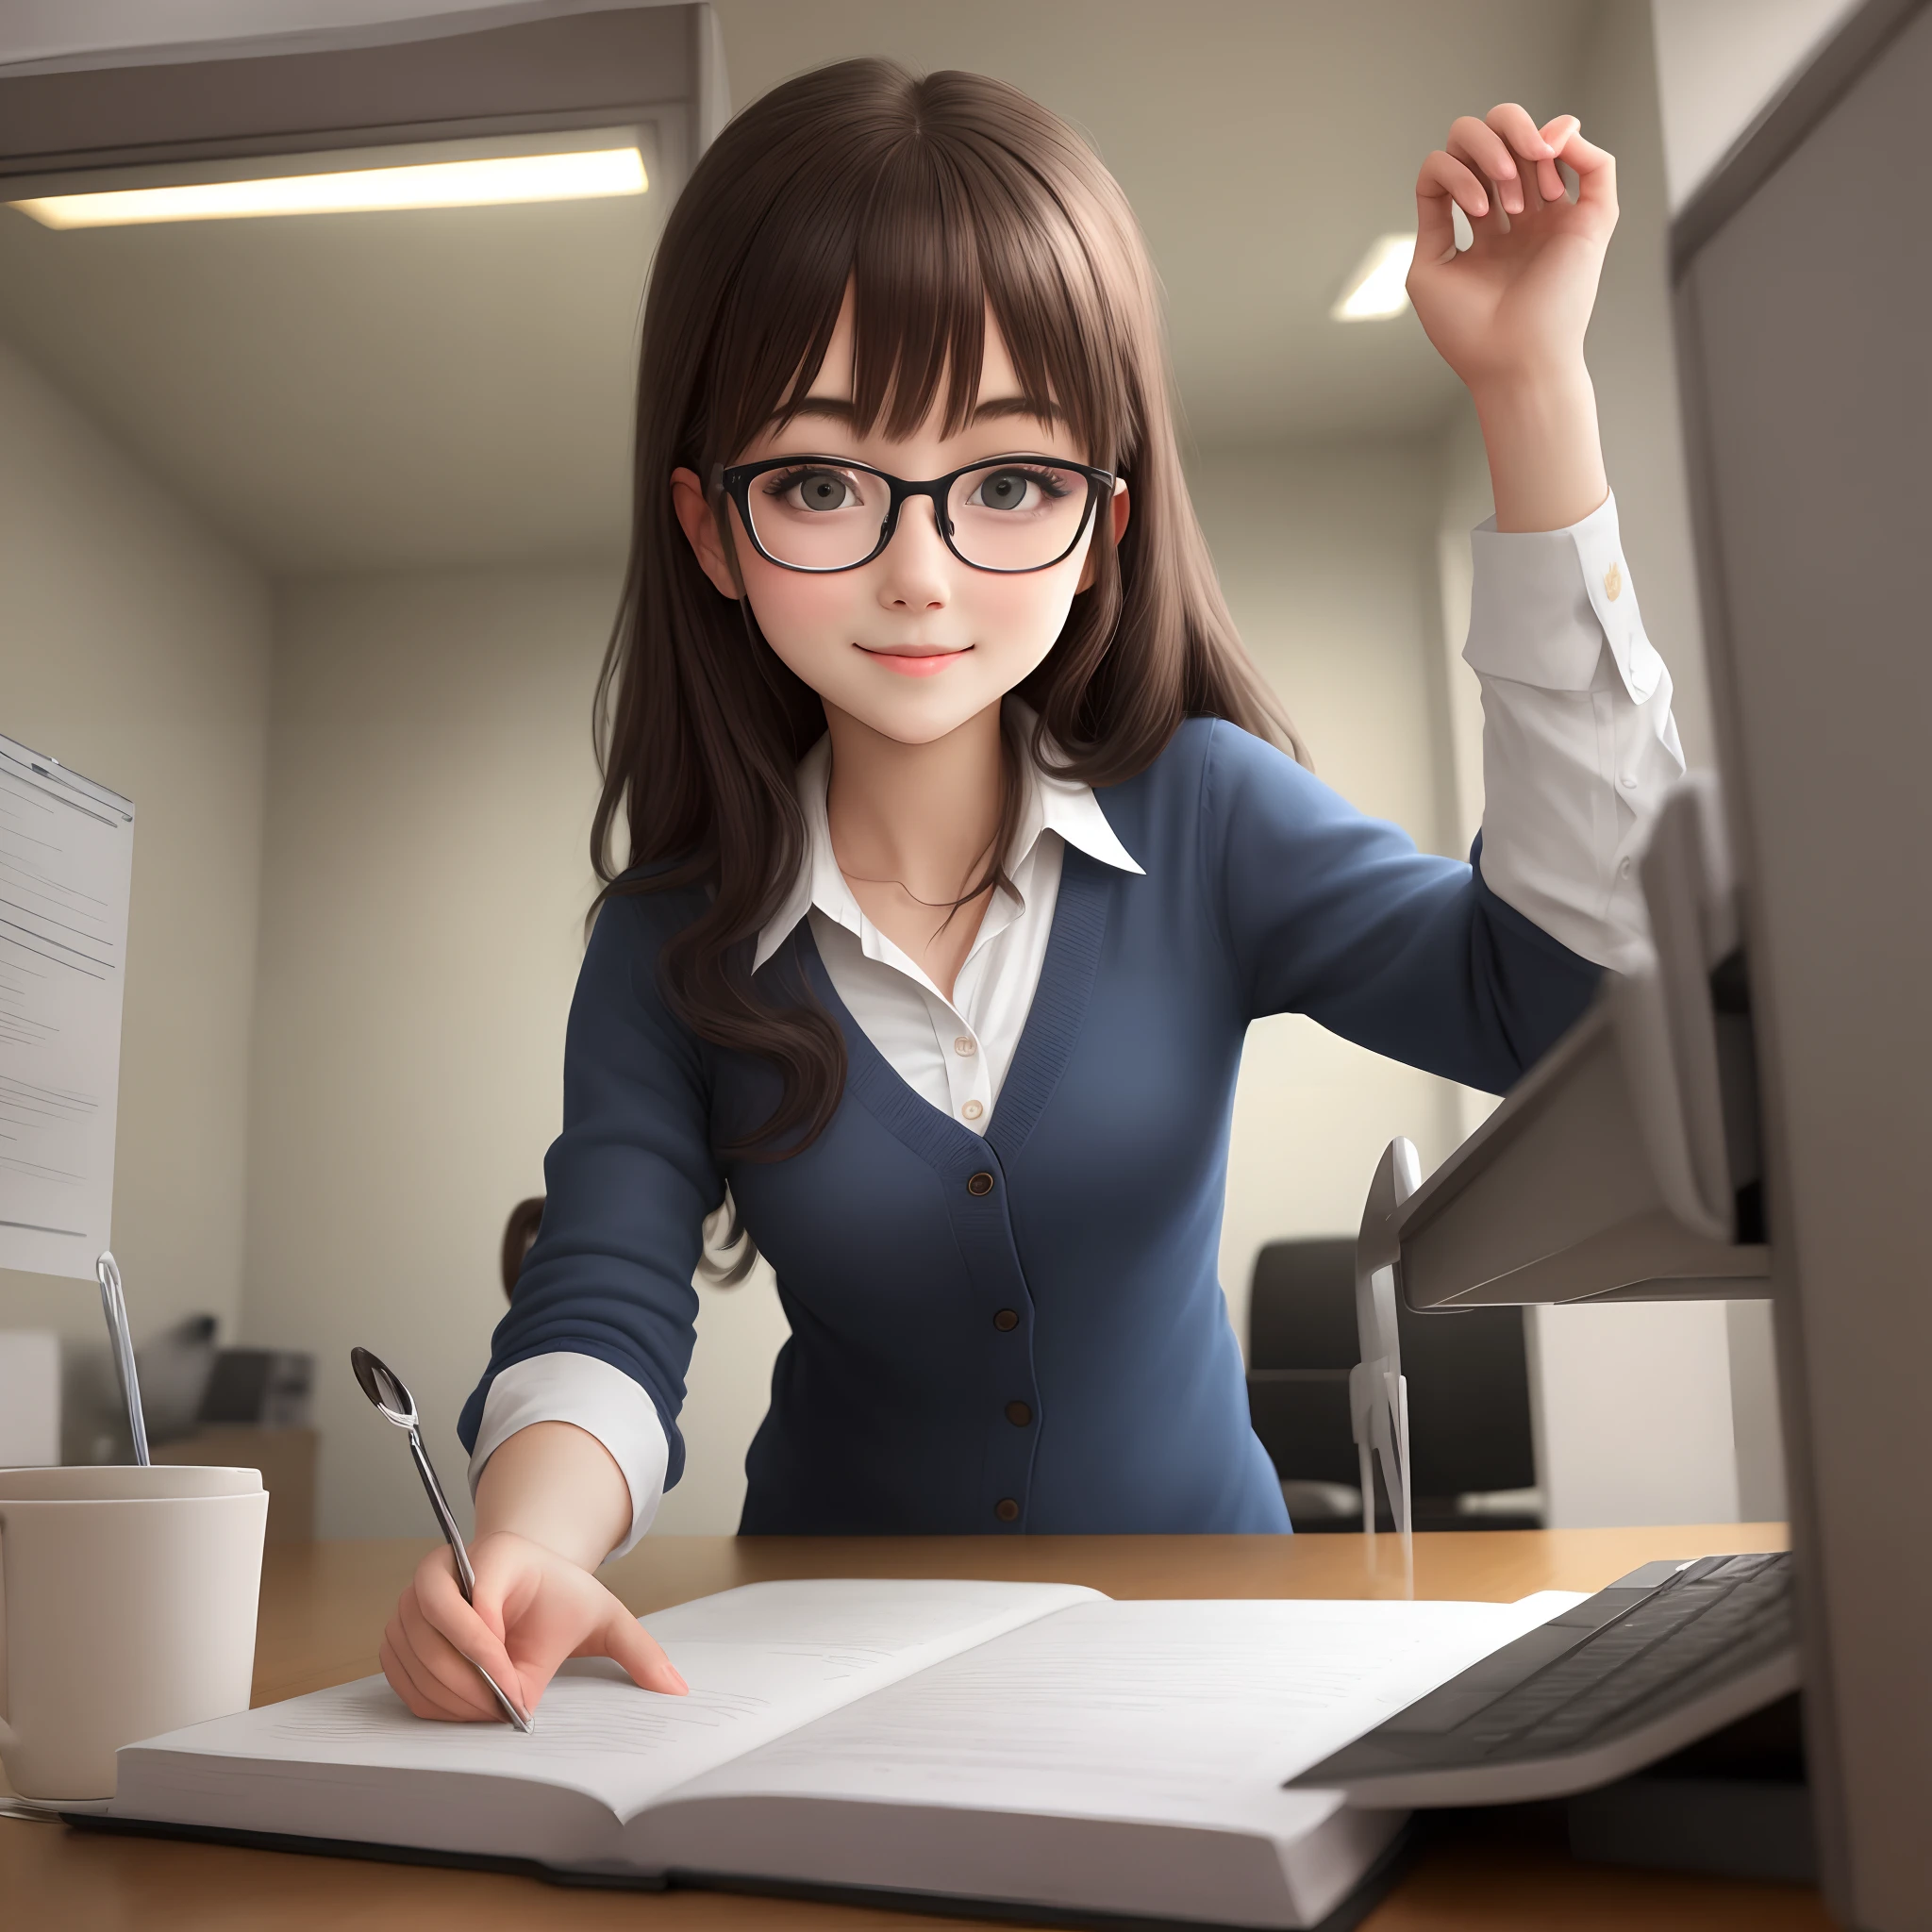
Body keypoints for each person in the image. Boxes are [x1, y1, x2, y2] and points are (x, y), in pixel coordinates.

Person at [378, 59, 1683, 1722]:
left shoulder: (1209, 814)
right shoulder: (664, 941)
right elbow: (607, 1302)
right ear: (710, 528)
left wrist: (1531, 394)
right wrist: (528, 1539)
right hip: (829, 1678)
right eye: (822, 483)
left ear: (1103, 523)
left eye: (1007, 484)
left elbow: (1567, 1011)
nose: (919, 572)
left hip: (1219, 1656)